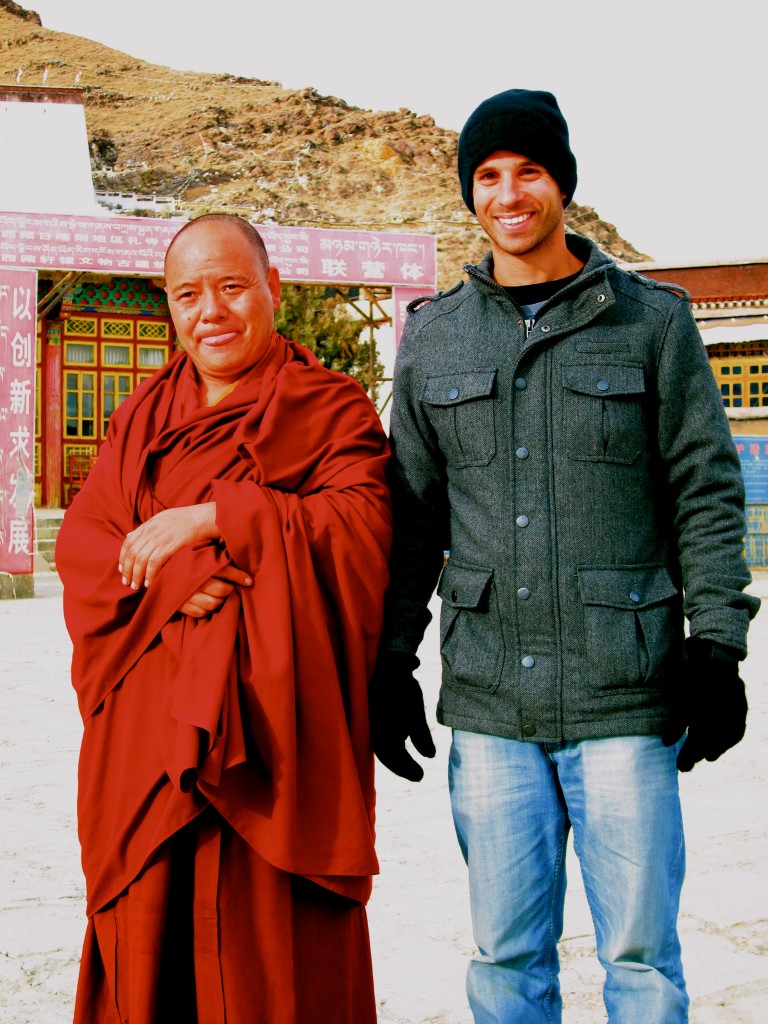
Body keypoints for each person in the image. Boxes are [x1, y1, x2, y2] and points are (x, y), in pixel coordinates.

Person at [370, 89, 759, 1023]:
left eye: (529, 171)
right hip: (492, 699)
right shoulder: (433, 339)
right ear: (471, 193)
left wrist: (719, 645)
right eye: (490, 176)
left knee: (640, 959)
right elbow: (414, 518)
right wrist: (389, 658)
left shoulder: (651, 323)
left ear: (563, 184)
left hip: (624, 693)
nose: (510, 193)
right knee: (506, 959)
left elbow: (705, 490)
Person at [57, 213, 392, 1024]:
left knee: (274, 963)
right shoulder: (142, 413)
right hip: (149, 743)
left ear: (273, 290)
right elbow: (85, 544)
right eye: (188, 294)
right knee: (150, 949)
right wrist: (181, 576)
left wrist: (217, 517)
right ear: (170, 308)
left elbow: (361, 533)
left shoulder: (330, 408)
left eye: (232, 287)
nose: (211, 311)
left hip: (275, 743)